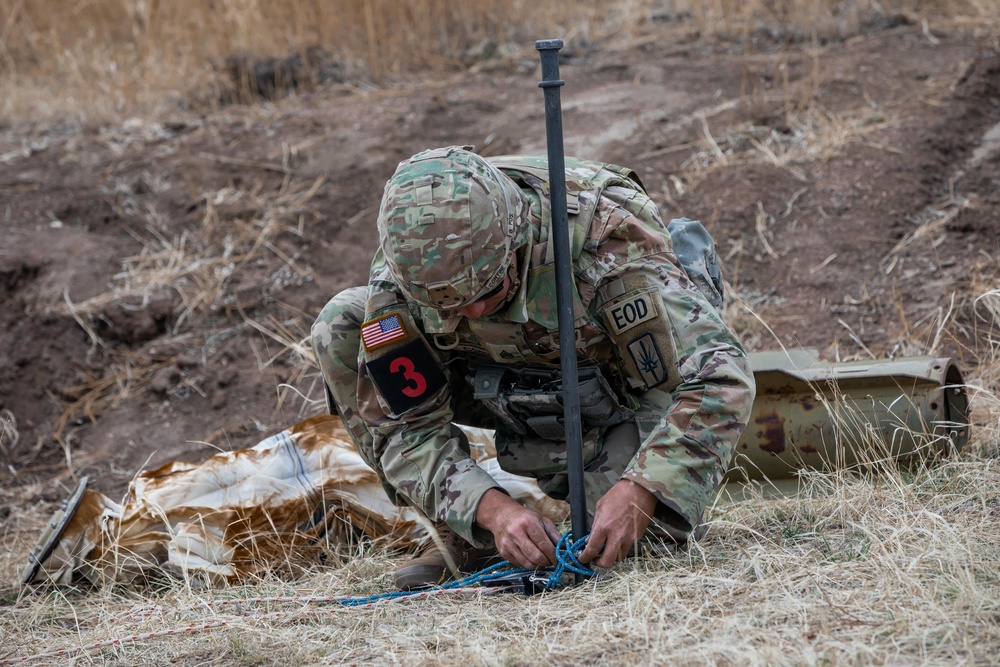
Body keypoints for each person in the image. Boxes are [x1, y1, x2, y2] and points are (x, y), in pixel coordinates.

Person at [311, 146, 755, 589]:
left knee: (626, 542)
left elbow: (722, 376)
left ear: (517, 238)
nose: (475, 311)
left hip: (616, 383)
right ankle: (462, 532)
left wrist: (641, 489)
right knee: (342, 324)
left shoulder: (607, 246)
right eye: (450, 305)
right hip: (490, 379)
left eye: (488, 290)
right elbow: (402, 426)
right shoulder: (408, 272)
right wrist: (490, 510)